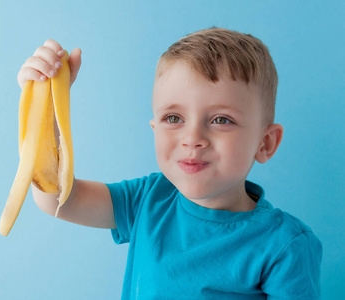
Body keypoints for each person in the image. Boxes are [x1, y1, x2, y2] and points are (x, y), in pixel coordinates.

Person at [17, 27, 323, 299]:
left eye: (221, 120)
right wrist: (45, 108)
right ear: (155, 128)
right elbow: (58, 199)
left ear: (265, 142)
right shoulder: (148, 199)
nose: (193, 138)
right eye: (173, 118)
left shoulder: (286, 246)